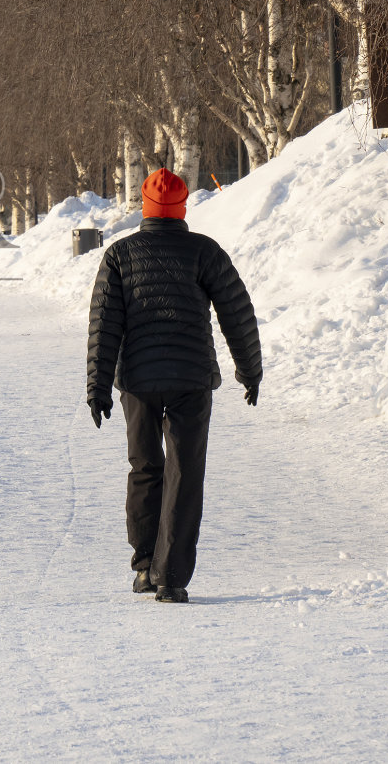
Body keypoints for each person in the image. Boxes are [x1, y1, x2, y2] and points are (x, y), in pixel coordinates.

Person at [85, 168, 261, 603]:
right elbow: (236, 313)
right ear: (182, 207)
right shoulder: (204, 251)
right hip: (190, 379)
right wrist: (249, 370)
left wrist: (98, 386)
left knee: (145, 467)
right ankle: (171, 578)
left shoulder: (121, 254)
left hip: (139, 381)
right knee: (184, 472)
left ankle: (146, 566)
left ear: (145, 208)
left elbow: (105, 324)